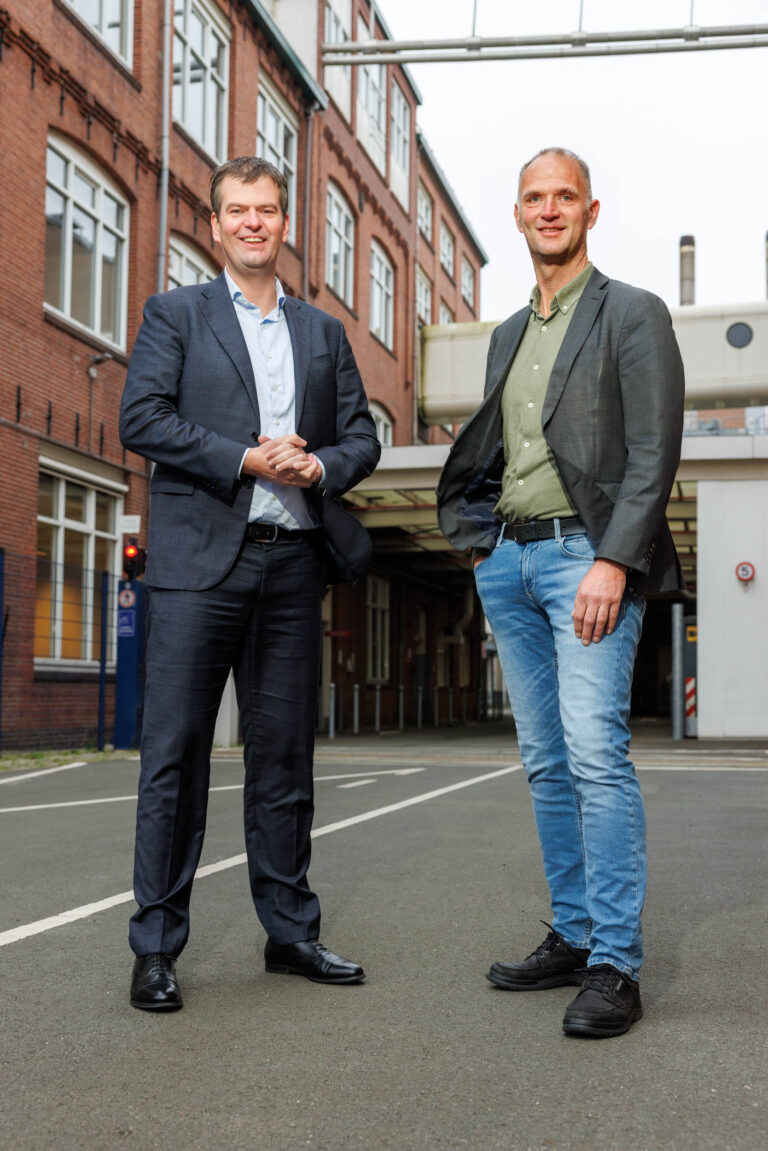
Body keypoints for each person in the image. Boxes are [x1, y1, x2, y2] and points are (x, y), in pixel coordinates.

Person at [120, 156, 380, 1011]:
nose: (253, 223)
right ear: (216, 222)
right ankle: (156, 947)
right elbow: (142, 418)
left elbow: (361, 438)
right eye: (238, 211)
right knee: (175, 757)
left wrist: (317, 465)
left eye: (267, 210)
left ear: (285, 224)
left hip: (293, 563)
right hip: (198, 566)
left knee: (285, 759)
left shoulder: (324, 333)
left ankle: (291, 932)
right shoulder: (175, 314)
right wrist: (245, 458)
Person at [436, 147, 684, 1038]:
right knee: (545, 761)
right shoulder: (508, 332)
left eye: (564, 196)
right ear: (517, 214)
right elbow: (494, 452)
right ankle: (575, 934)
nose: (549, 209)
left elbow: (654, 449)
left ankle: (616, 963)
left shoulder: (632, 312)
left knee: (594, 756)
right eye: (534, 198)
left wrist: (615, 559)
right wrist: (480, 548)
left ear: (590, 210)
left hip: (588, 557)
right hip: (510, 561)